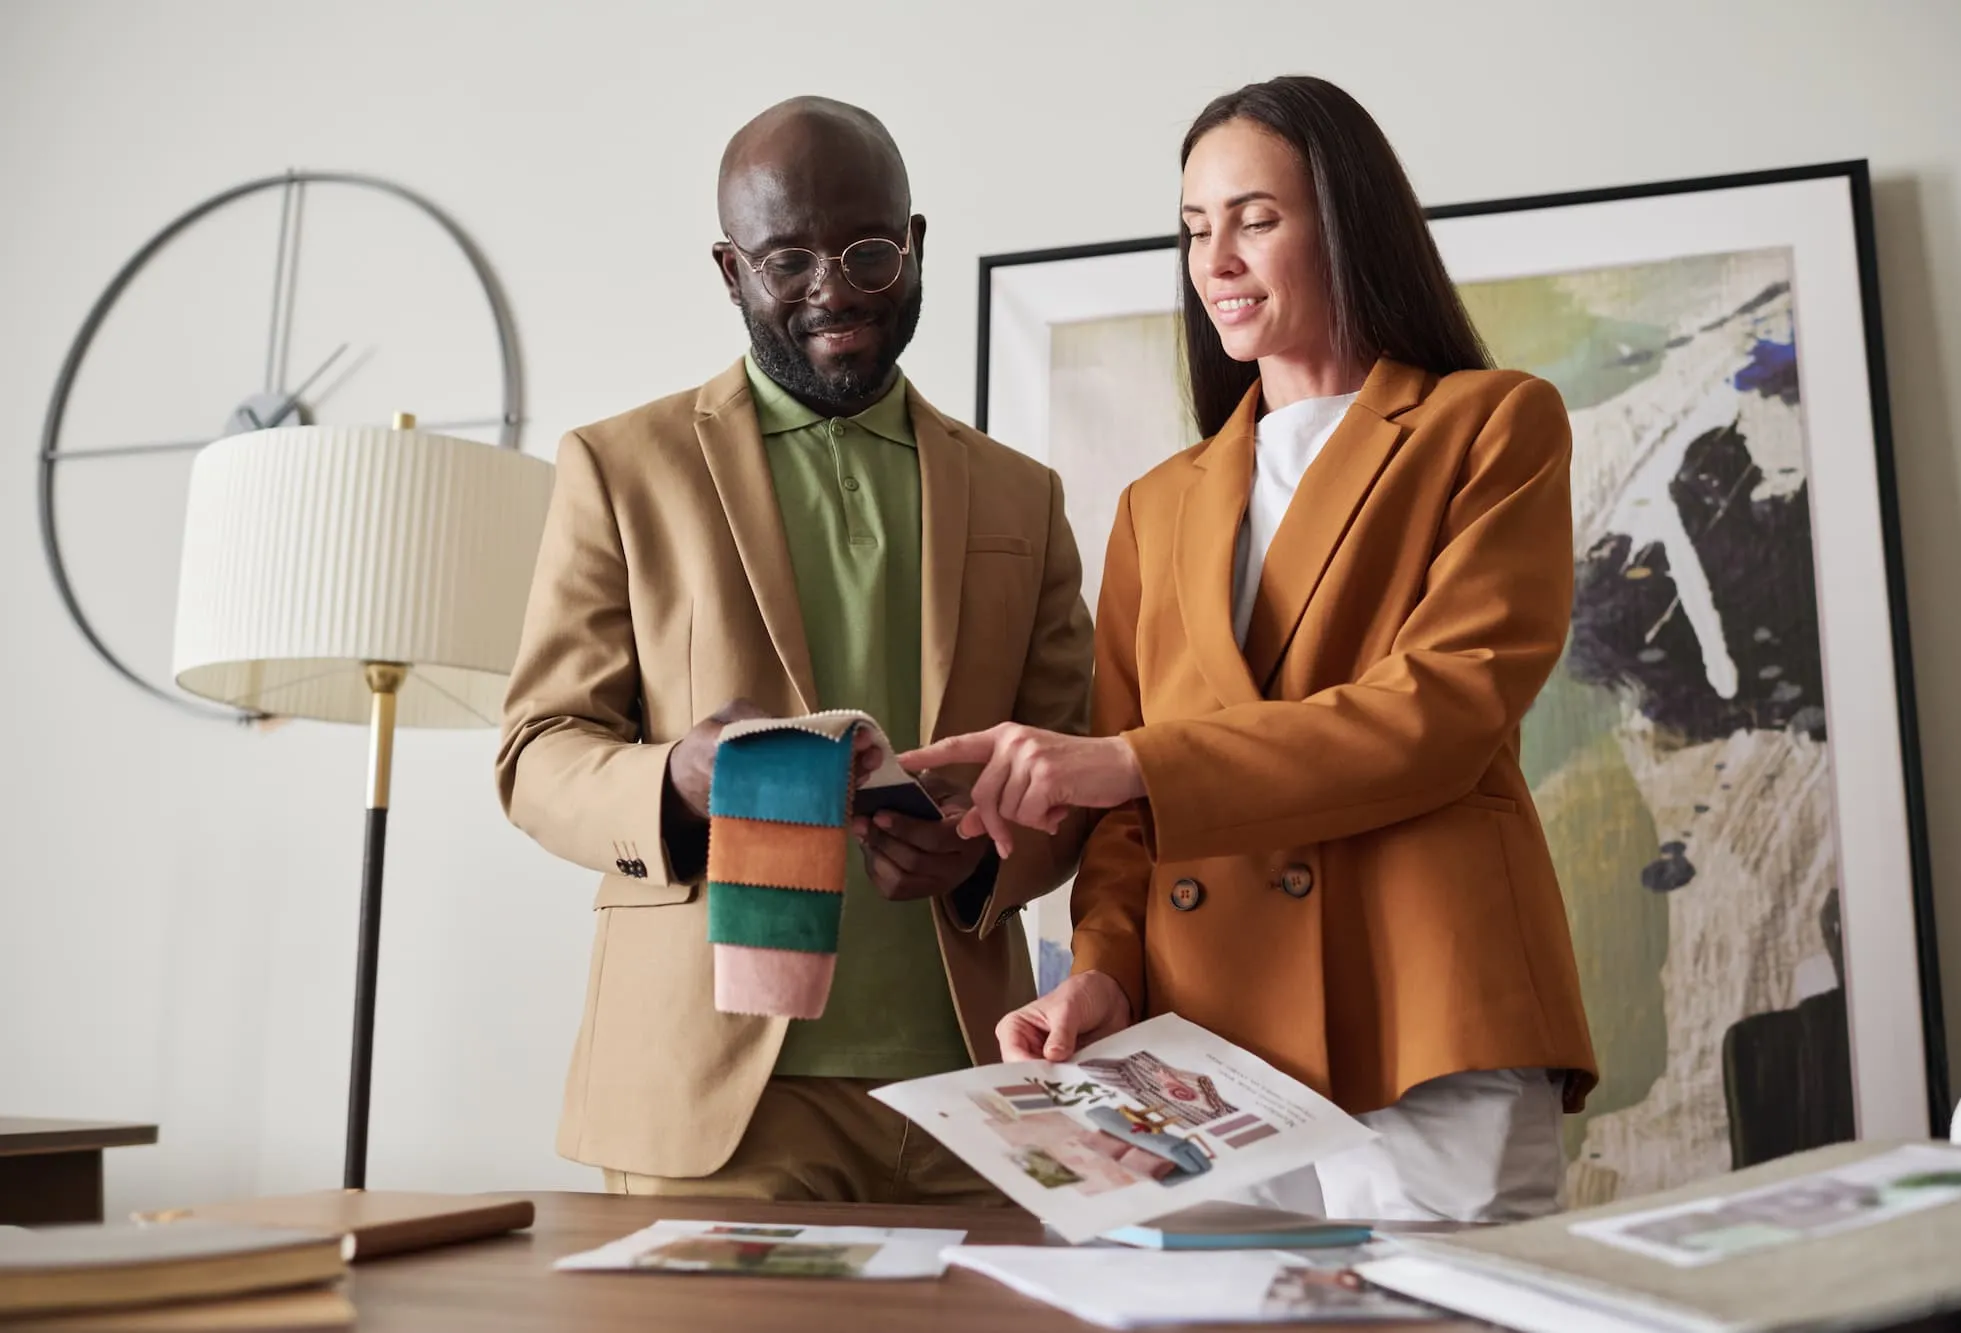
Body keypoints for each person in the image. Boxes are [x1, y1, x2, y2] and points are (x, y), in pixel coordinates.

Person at [902, 76, 1598, 1222]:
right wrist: (1100, 974)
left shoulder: (1491, 425)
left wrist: (1133, 760)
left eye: (1255, 219)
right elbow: (1124, 830)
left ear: (1347, 220)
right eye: (1193, 228)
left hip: (1424, 1009)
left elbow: (1434, 715)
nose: (1215, 258)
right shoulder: (1155, 505)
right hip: (1205, 1051)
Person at [496, 96, 1093, 1204]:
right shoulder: (619, 468)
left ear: (915, 246)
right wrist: (673, 776)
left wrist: (983, 859)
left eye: (869, 252)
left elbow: (1074, 767)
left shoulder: (1024, 493)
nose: (835, 290)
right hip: (715, 1100)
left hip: (975, 1088)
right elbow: (535, 754)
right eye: (787, 259)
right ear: (730, 270)